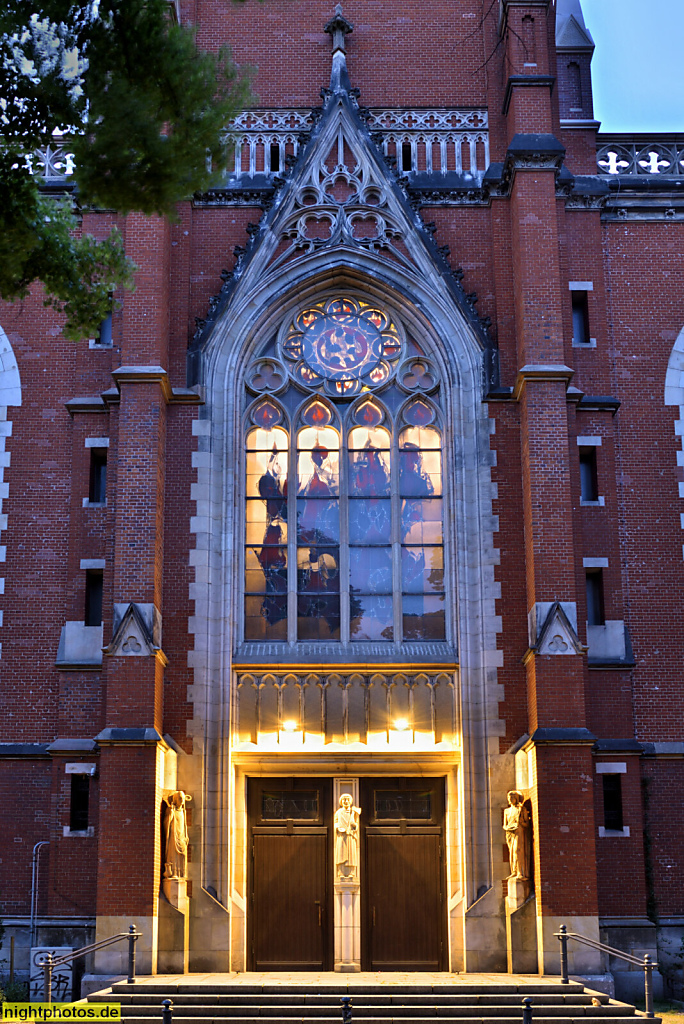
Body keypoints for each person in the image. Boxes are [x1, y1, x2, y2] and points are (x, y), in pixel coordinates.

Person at [163, 791, 192, 879]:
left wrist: (186, 835)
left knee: (183, 855)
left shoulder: (183, 811)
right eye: (180, 799)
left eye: (183, 799)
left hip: (181, 836)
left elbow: (184, 825)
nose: (182, 801)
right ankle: (174, 872)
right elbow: (166, 823)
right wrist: (170, 814)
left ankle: (182, 873)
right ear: (175, 799)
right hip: (173, 836)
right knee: (173, 855)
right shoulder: (171, 810)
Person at [503, 790, 531, 880]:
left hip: (519, 831)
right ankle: (513, 871)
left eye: (512, 797)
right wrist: (507, 828)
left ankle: (520, 872)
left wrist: (521, 823)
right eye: (509, 798)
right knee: (511, 852)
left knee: (518, 851)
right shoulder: (506, 811)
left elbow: (527, 824)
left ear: (516, 798)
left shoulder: (521, 809)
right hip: (510, 833)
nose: (510, 799)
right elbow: (504, 824)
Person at [334, 794, 361, 878]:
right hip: (342, 836)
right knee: (341, 853)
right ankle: (341, 872)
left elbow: (356, 824)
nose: (346, 801)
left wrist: (354, 826)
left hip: (350, 836)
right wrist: (338, 828)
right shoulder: (338, 812)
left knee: (351, 854)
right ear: (341, 802)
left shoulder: (353, 812)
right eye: (344, 800)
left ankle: (351, 872)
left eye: (348, 800)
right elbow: (335, 822)